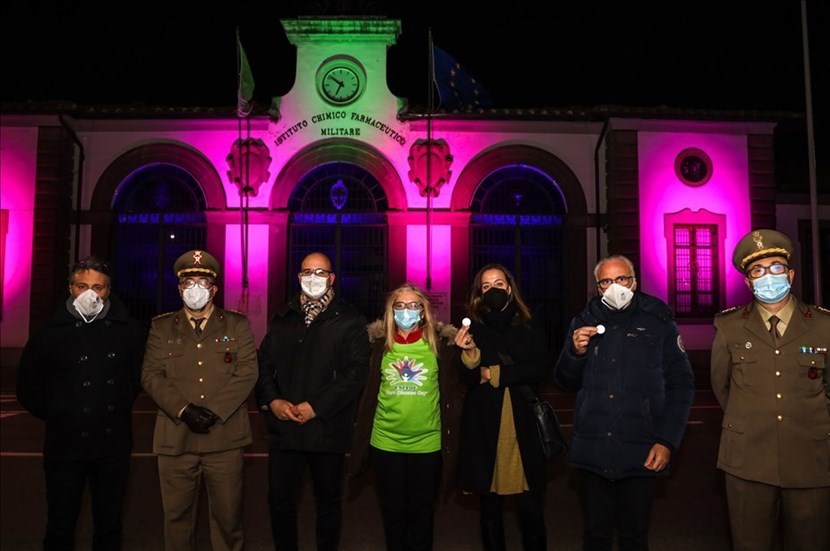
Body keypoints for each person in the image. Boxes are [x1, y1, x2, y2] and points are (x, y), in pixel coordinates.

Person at [553, 254, 695, 551]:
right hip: (593, 449)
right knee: (595, 535)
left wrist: (666, 441)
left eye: (622, 279)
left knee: (634, 536)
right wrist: (574, 353)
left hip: (641, 448)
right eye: (606, 281)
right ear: (598, 287)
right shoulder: (583, 321)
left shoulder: (658, 321)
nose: (615, 287)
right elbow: (564, 382)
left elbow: (681, 385)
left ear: (634, 282)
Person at [710, 229, 830, 551]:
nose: (768, 276)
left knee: (812, 543)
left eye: (776, 267)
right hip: (748, 460)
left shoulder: (823, 325)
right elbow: (722, 388)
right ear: (748, 283)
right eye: (758, 271)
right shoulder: (729, 326)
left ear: (790, 274)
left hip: (811, 459)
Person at [16, 255, 145, 550]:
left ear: (108, 291)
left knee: (109, 526)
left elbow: (137, 377)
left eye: (98, 287)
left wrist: (116, 402)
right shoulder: (48, 334)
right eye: (82, 285)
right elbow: (28, 386)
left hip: (112, 446)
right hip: (65, 446)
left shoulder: (130, 331)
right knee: (60, 525)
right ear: (70, 288)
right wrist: (60, 412)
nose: (90, 293)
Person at [141, 249, 257, 551]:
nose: (195, 289)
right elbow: (151, 375)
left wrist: (214, 412)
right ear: (179, 289)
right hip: (175, 438)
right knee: (177, 520)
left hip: (225, 438)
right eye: (189, 283)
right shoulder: (161, 327)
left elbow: (247, 373)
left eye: (202, 283)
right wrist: (185, 410)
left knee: (228, 520)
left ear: (214, 289)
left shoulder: (237, 325)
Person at [255, 251, 370, 551]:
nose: (313, 278)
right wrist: (273, 401)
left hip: (326, 431)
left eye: (321, 273)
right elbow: (264, 365)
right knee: (280, 503)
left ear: (332, 278)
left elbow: (355, 373)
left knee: (328, 504)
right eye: (307, 272)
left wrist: (316, 406)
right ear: (298, 277)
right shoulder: (283, 318)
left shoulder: (350, 320)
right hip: (285, 430)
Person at [349, 283, 462, 551]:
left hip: (428, 444)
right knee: (393, 515)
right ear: (391, 312)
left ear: (424, 312)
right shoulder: (376, 346)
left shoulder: (442, 346)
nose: (406, 311)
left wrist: (468, 353)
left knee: (422, 515)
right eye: (399, 306)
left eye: (413, 306)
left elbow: (461, 385)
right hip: (386, 443)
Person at [453, 263, 550, 551]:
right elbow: (467, 377)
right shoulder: (473, 326)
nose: (493, 290)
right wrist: (469, 354)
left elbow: (538, 368)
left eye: (498, 284)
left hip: (522, 429)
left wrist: (492, 374)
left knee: (531, 511)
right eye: (486, 286)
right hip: (486, 429)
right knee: (490, 513)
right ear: (479, 294)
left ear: (509, 288)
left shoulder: (530, 324)